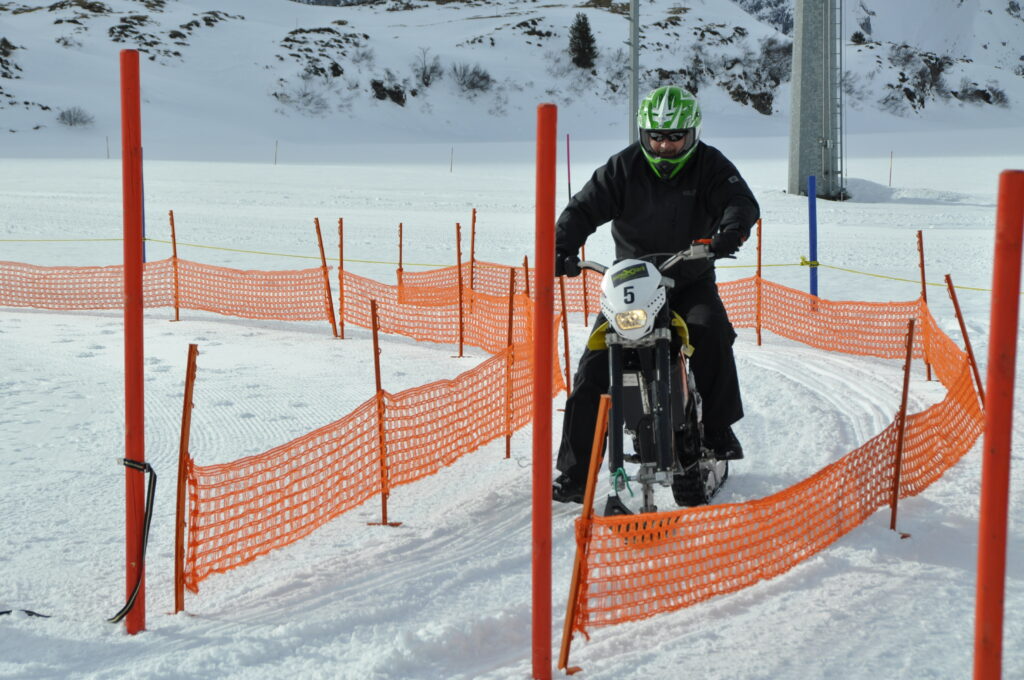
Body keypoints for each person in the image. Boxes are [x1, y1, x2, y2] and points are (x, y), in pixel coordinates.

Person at [552, 85, 760, 504]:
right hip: (632, 283)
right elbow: (583, 208)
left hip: (688, 279)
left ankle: (717, 431)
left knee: (712, 332)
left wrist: (729, 232)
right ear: (644, 134)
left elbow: (740, 201)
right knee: (594, 367)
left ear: (692, 134)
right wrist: (561, 246)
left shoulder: (710, 165)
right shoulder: (623, 167)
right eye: (656, 137)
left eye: (674, 138)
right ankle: (576, 473)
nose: (664, 147)